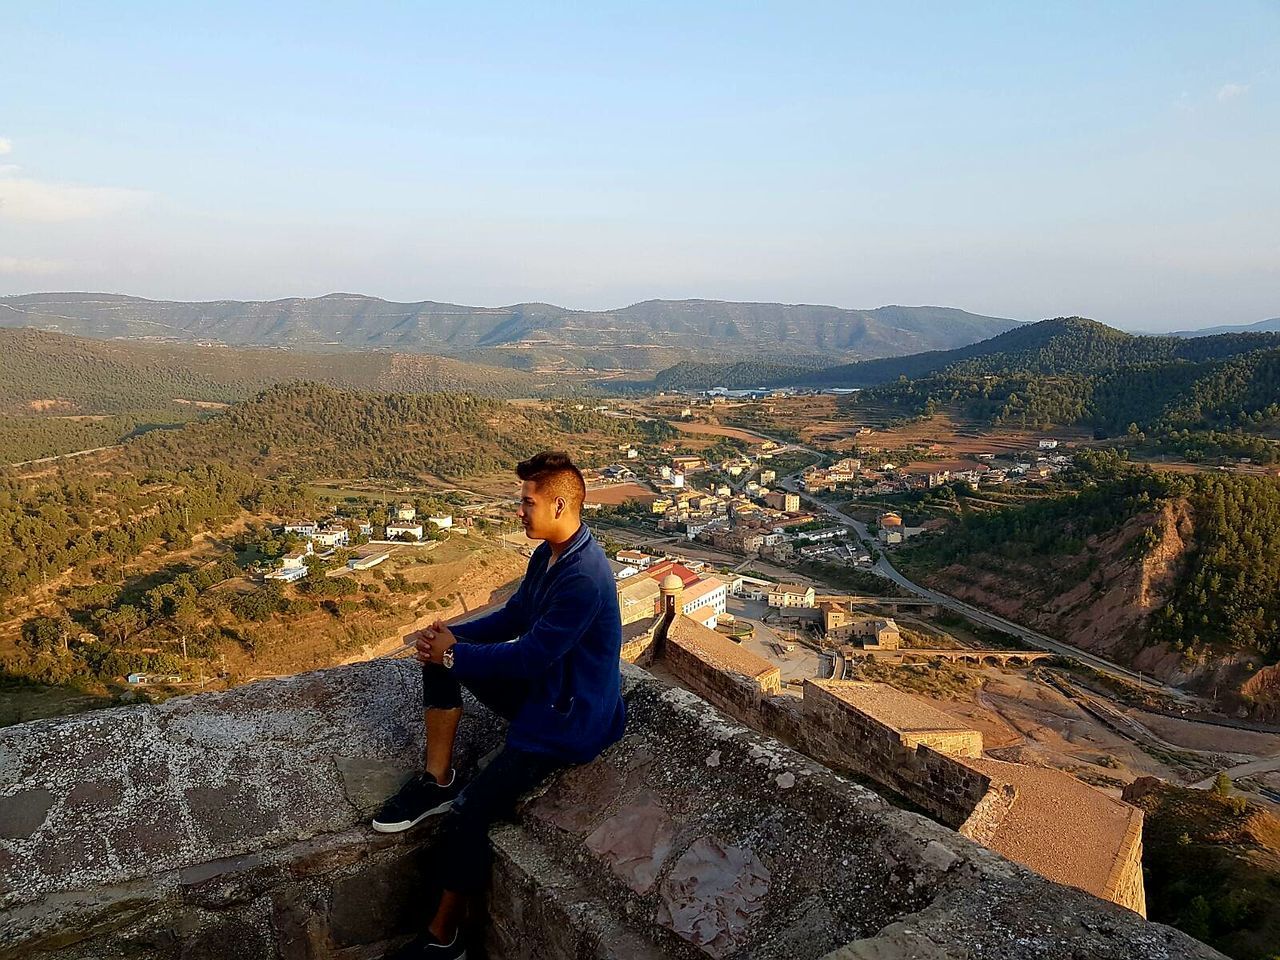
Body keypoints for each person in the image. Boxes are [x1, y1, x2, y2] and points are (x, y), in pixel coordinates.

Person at [373, 451, 626, 960]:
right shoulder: (550, 555)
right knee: (438, 660)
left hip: (567, 722)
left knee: (469, 816)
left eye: (527, 502)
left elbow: (531, 657)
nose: (520, 511)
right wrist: (449, 638)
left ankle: (444, 940)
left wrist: (457, 655)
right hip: (549, 695)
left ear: (559, 504)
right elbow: (514, 617)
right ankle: (436, 780)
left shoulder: (583, 577)